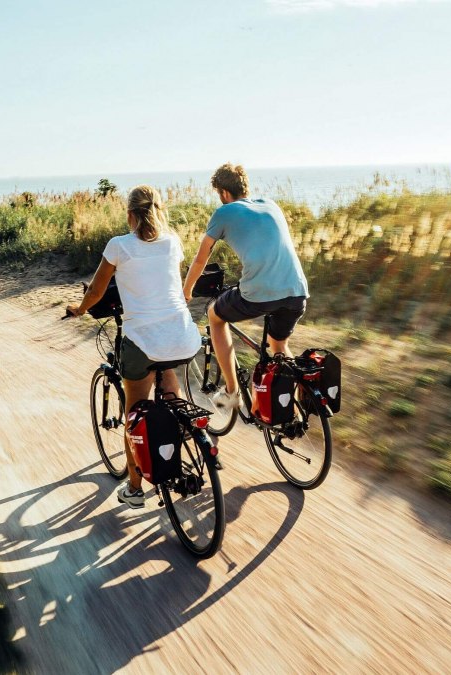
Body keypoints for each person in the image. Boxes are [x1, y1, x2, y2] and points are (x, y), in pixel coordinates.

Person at [68, 185, 200, 508]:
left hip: (142, 341)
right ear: (160, 210)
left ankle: (135, 488)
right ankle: (184, 430)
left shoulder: (119, 246)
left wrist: (79, 309)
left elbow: (98, 291)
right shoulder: (173, 242)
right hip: (182, 336)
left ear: (130, 215)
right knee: (168, 377)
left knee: (134, 411)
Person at [182, 163, 309, 415]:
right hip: (297, 290)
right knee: (278, 345)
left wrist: (186, 290)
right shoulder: (271, 204)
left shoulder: (224, 212)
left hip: (259, 293)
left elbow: (200, 260)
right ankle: (297, 405)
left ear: (224, 193)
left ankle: (232, 393)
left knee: (215, 317)